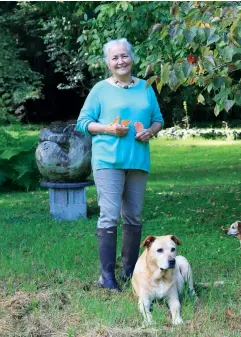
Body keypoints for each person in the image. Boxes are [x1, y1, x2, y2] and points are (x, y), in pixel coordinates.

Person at [76, 38, 164, 292]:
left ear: (132, 58)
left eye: (124, 56)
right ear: (107, 63)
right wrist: (107, 128)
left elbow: (158, 119)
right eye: (115, 58)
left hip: (137, 160)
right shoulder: (100, 90)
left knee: (133, 216)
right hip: (108, 160)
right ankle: (106, 277)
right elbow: (83, 122)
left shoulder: (146, 87)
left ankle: (129, 271)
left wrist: (150, 131)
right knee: (110, 215)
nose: (120, 61)